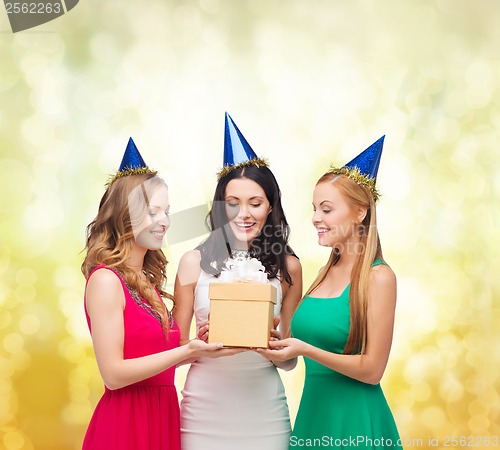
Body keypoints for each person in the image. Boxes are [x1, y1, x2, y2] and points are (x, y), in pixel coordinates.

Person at [260, 136, 403, 449]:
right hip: (314, 417)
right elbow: (299, 341)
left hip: (355, 423)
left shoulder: (379, 278)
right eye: (314, 209)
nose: (315, 218)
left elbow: (372, 370)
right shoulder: (324, 274)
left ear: (360, 212)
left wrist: (304, 349)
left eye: (326, 209)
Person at [81, 138, 222, 450]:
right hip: (125, 426)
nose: (165, 222)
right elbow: (113, 375)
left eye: (167, 211)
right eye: (153, 211)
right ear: (123, 215)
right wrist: (186, 352)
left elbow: (158, 364)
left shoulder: (149, 285)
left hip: (162, 418)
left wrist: (199, 347)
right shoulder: (106, 281)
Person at [173, 113, 302, 450]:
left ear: (270, 207)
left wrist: (273, 345)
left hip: (264, 411)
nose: (244, 214)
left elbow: (290, 360)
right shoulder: (192, 263)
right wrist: (196, 346)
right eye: (233, 204)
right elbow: (173, 352)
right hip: (203, 411)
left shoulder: (288, 267)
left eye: (255, 203)